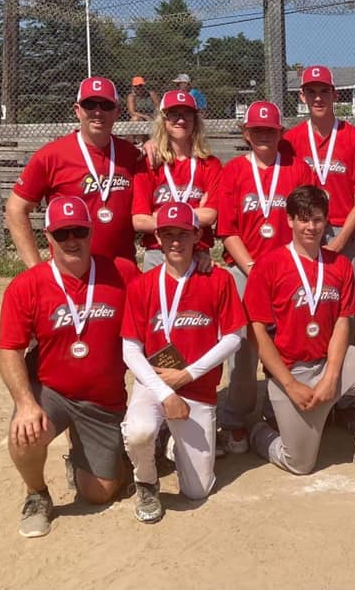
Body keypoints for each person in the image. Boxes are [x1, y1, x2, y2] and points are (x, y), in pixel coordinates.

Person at [0, 196, 140, 537]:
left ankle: (84, 457)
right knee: (24, 434)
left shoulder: (121, 272)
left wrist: (198, 260)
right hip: (51, 390)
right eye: (62, 233)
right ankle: (37, 495)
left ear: (91, 232)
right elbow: (10, 350)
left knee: (99, 493)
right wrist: (25, 404)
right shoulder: (27, 285)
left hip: (103, 400)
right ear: (48, 237)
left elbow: (160, 295)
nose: (72, 240)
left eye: (79, 231)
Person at [244, 185, 355, 476]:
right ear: (290, 220)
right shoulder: (268, 265)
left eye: (318, 219)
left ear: (326, 221)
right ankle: (258, 432)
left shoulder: (339, 264)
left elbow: (342, 323)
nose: (311, 226)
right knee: (300, 464)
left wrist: (331, 377)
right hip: (291, 370)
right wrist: (290, 385)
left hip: (330, 361)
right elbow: (256, 332)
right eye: (303, 219)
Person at [120, 202, 245, 523]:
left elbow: (233, 337)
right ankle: (146, 482)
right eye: (167, 234)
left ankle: (171, 442)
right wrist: (165, 391)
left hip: (197, 387)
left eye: (183, 234)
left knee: (197, 490)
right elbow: (130, 349)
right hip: (155, 385)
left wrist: (187, 375)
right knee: (139, 432)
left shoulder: (218, 279)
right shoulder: (142, 285)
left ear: (197, 236)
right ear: (157, 238)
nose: (175, 241)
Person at [216, 101, 316, 454]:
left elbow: (308, 221)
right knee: (243, 349)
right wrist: (254, 270)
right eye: (256, 130)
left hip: (289, 273)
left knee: (286, 344)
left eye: (269, 131)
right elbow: (227, 230)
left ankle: (277, 412)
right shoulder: (233, 171)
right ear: (246, 133)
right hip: (246, 270)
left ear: (280, 133)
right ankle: (236, 420)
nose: (263, 136)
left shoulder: (297, 169)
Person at [6, 77, 145, 265]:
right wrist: (35, 268)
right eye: (89, 105)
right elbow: (15, 209)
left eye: (106, 105)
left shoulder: (130, 154)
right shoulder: (52, 155)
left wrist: (153, 145)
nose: (98, 112)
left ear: (117, 112)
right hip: (71, 273)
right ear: (77, 111)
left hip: (122, 272)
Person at [285, 65, 355, 349]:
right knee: (305, 309)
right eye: (311, 91)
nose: (318, 97)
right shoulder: (290, 141)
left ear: (335, 94)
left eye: (324, 91)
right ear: (301, 96)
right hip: (304, 234)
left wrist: (339, 242)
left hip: (343, 234)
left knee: (346, 314)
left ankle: (348, 375)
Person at [132, 90, 221, 271]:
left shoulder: (210, 164)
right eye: (173, 114)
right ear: (163, 120)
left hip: (198, 252)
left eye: (187, 114)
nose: (181, 120)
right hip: (157, 252)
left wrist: (160, 217)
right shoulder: (149, 163)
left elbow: (210, 215)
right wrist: (193, 216)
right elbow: (139, 220)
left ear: (195, 120)